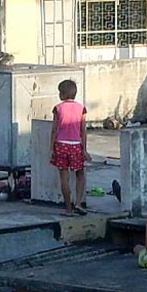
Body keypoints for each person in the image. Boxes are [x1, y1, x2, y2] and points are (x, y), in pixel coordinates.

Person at [50, 79, 91, 217]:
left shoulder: (58, 108)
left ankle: (68, 209)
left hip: (61, 145)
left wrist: (51, 149)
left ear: (62, 94)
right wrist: (84, 149)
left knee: (64, 177)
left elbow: (54, 130)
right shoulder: (81, 108)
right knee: (80, 175)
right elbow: (83, 130)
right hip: (76, 146)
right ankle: (78, 203)